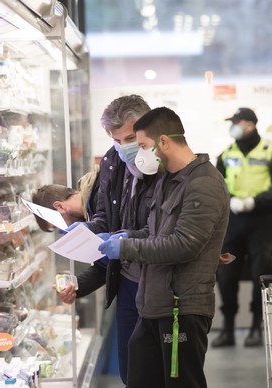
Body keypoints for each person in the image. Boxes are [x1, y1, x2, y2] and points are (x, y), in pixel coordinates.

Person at [99, 107, 230, 388]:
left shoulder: (204, 183)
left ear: (165, 142)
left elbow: (184, 245)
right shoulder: (167, 180)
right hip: (153, 305)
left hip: (182, 310)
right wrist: (125, 235)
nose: (141, 154)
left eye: (143, 146)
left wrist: (125, 249)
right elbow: (154, 231)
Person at [57, 95, 157, 385]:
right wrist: (82, 235)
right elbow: (105, 220)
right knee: (131, 374)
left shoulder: (165, 166)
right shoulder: (112, 162)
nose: (123, 146)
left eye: (130, 138)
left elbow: (165, 233)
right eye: (116, 139)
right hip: (127, 284)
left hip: (162, 287)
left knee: (162, 374)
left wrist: (122, 239)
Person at [213, 107, 272, 348]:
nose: (233, 127)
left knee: (261, 274)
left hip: (261, 222)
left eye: (236, 122)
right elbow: (215, 187)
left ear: (249, 124)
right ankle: (227, 329)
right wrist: (230, 200)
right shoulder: (226, 154)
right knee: (226, 276)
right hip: (232, 221)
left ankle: (256, 327)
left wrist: (255, 201)